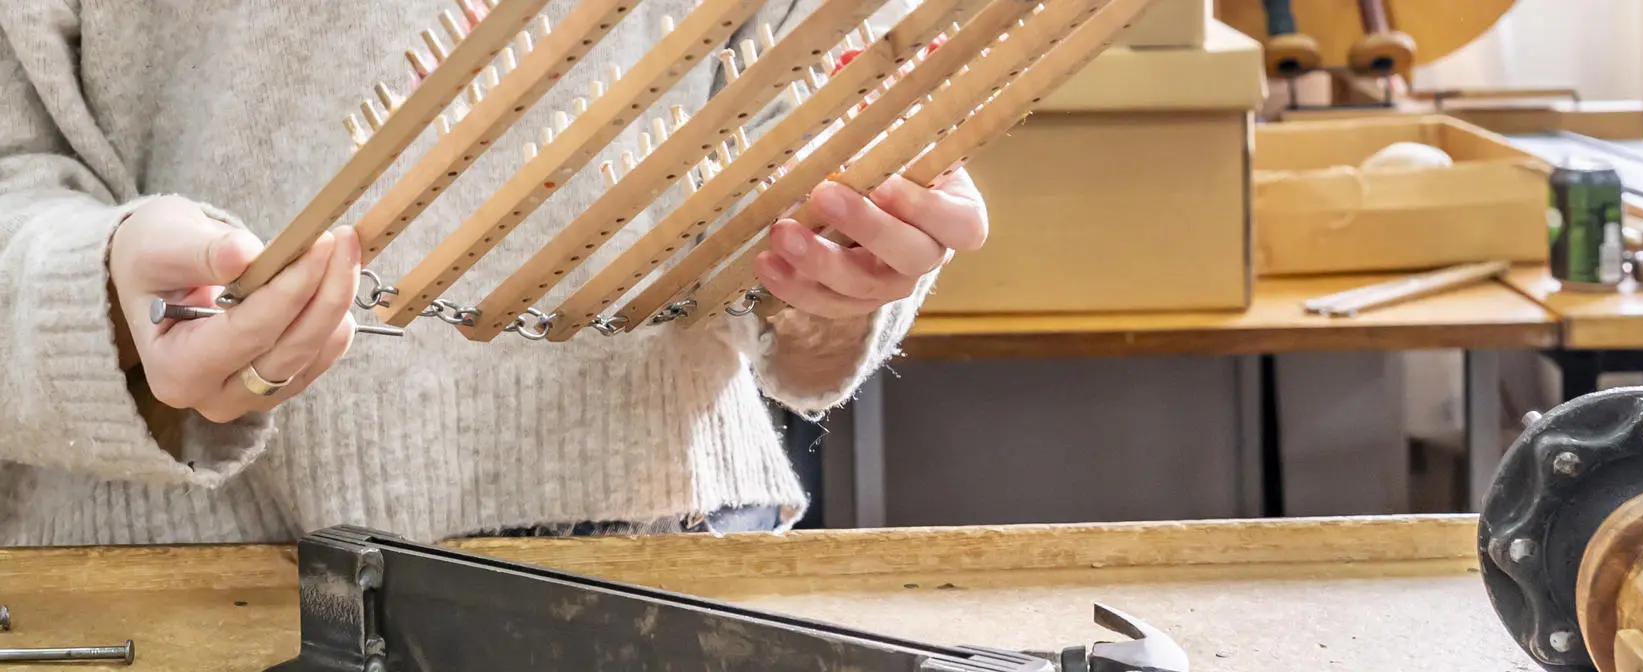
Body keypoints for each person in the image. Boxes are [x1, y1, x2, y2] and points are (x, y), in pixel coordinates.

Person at [0, 0, 987, 545]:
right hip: (189, 582)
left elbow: (818, 89)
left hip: (674, 552)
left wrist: (848, 268)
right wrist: (97, 309)